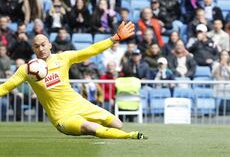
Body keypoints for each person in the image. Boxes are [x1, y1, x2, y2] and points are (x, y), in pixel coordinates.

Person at [0, 21, 147, 139]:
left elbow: (90, 50)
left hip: (79, 105)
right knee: (90, 128)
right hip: (62, 116)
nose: (41, 48)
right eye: (37, 46)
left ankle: (100, 128)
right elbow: (6, 87)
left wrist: (115, 38)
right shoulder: (27, 69)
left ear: (50, 45)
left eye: (43, 44)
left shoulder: (63, 58)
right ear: (33, 49)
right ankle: (130, 136)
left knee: (117, 124)